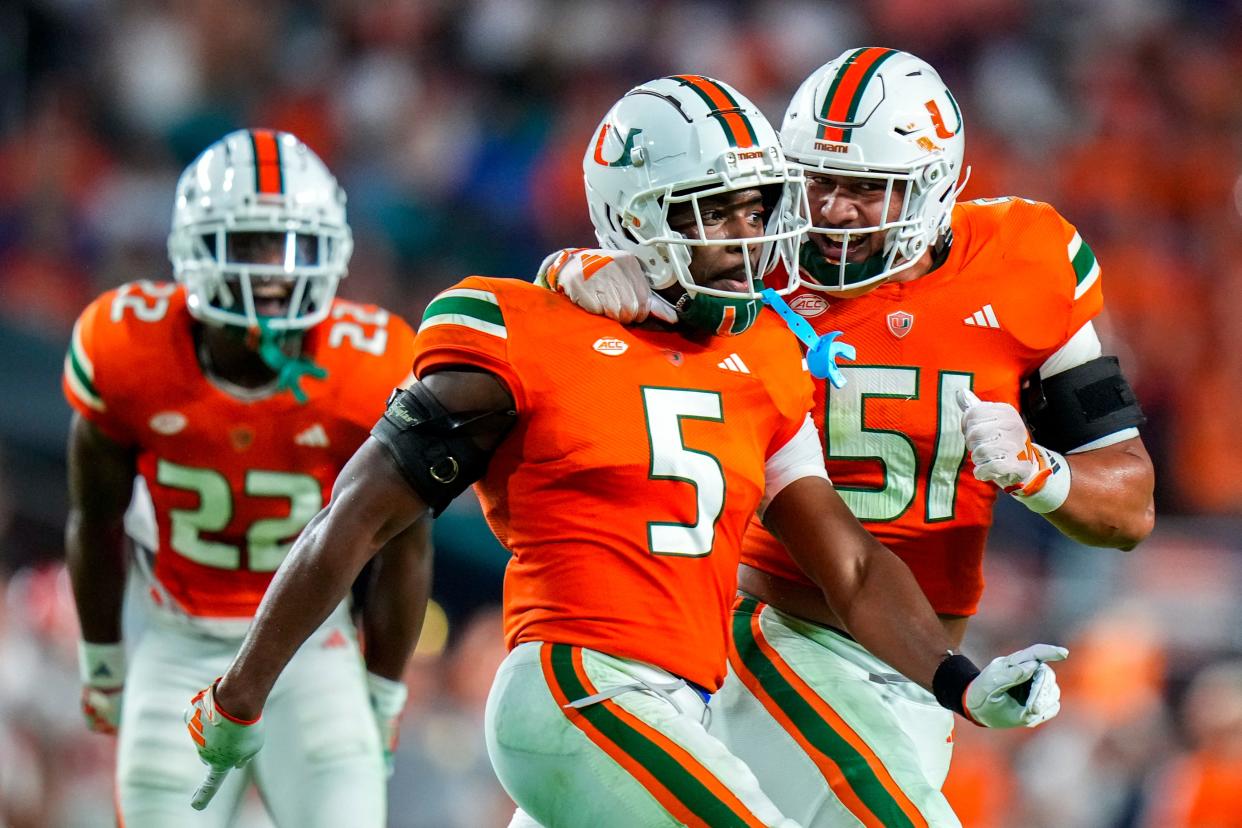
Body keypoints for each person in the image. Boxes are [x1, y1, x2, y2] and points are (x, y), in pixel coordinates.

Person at [182, 77, 1068, 828]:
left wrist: (958, 680)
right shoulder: (522, 333)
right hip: (572, 686)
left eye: (758, 206)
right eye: (715, 211)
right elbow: (353, 523)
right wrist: (239, 695)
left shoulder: (759, 353)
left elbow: (852, 568)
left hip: (678, 710)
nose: (747, 234)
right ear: (634, 217)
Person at [544, 49, 1155, 826]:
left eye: (866, 190)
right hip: (766, 626)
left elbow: (1129, 507)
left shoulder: (1027, 261)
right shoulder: (751, 259)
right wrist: (570, 272)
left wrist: (1040, 473)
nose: (832, 211)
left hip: (916, 655)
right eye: (816, 181)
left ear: (935, 185)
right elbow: (631, 260)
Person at [63, 129, 425, 827]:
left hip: (314, 650)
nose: (274, 270)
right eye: (253, 242)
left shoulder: (370, 364)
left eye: (292, 245)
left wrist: (382, 692)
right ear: (194, 247)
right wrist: (103, 657)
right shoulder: (126, 348)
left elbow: (406, 547)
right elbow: (95, 518)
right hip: (179, 646)